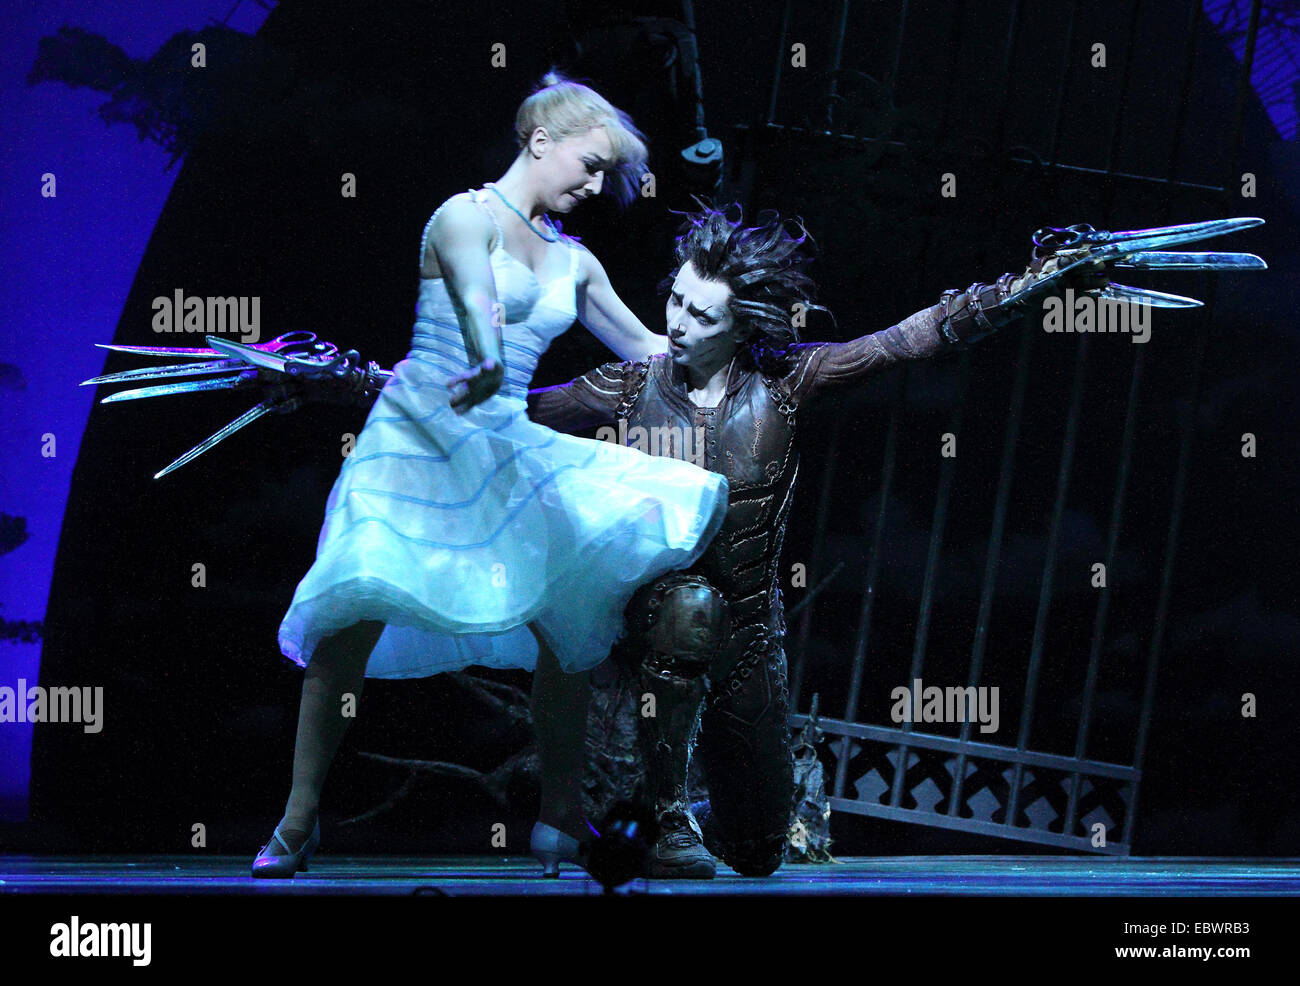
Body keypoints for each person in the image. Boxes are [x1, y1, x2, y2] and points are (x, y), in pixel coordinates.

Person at [526, 203, 1112, 877]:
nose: (677, 324)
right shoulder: (630, 387)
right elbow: (507, 410)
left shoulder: (784, 383)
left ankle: (694, 813)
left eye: (702, 315)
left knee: (758, 850)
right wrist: (383, 388)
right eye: (677, 301)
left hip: (748, 632)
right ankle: (665, 815)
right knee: (690, 610)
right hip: (659, 614)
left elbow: (902, 342)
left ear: (742, 325)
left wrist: (1017, 292)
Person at [254, 73, 729, 877]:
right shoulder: (461, 216)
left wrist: (728, 335)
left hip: (506, 443)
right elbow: (477, 300)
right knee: (351, 618)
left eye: (603, 173)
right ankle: (298, 821)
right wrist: (482, 357)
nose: (593, 184)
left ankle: (560, 820)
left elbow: (647, 349)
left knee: (568, 624)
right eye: (588, 163)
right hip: (417, 437)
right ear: (540, 140)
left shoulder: (575, 263)